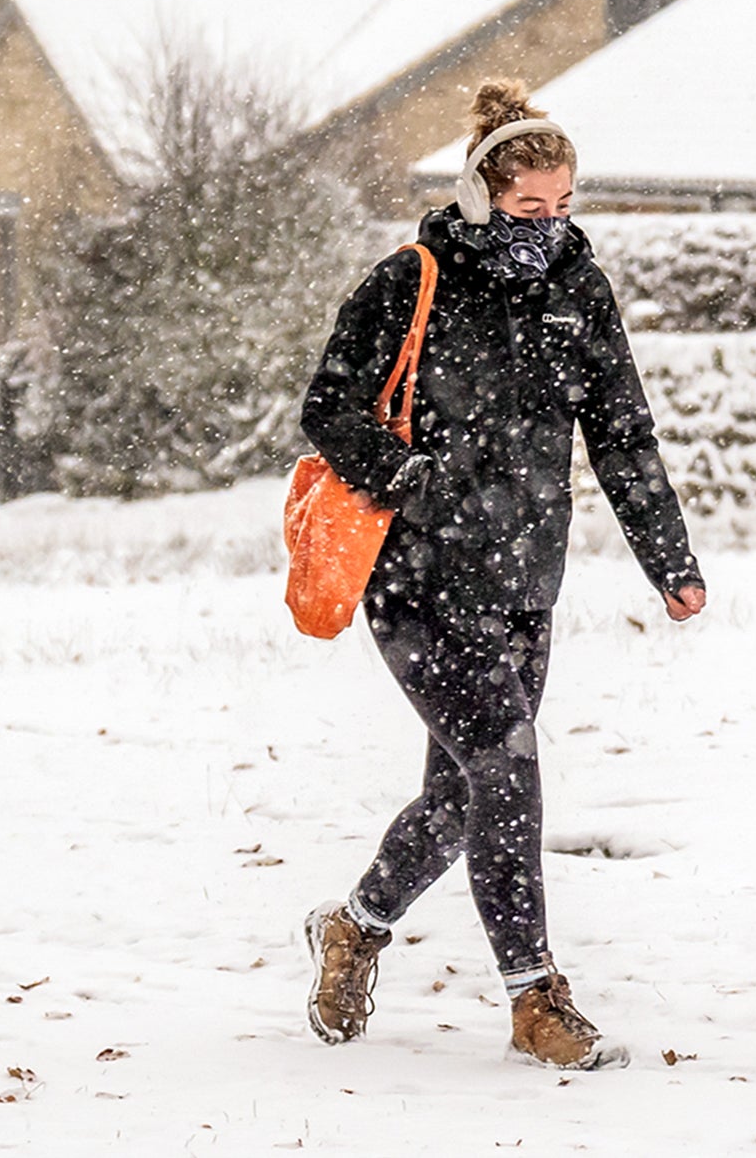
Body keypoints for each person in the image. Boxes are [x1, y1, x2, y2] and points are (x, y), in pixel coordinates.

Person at [297, 79, 706, 1070]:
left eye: (562, 208)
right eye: (528, 210)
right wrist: (412, 480)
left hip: (525, 578)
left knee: (460, 797)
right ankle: (534, 997)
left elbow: (621, 433)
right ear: (482, 198)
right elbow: (328, 405)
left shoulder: (577, 288)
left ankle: (352, 925)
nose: (547, 228)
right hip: (416, 581)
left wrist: (670, 559)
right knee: (507, 770)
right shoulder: (413, 280)